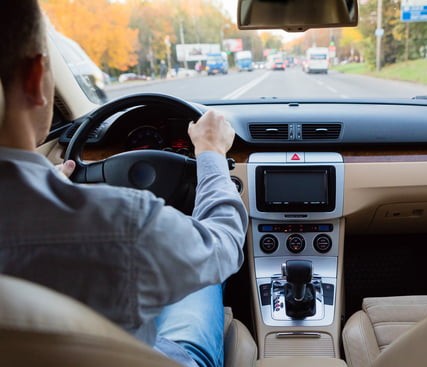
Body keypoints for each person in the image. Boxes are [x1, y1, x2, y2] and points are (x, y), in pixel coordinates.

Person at [0, 2, 247, 367]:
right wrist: (210, 153)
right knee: (203, 280)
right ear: (37, 77)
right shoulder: (122, 223)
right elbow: (223, 246)